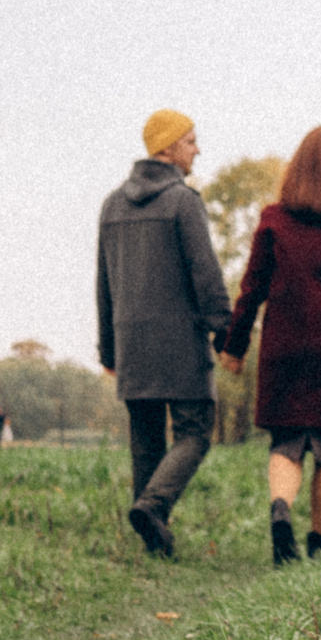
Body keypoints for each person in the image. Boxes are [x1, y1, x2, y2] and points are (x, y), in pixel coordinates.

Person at [218, 125, 321, 564]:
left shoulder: (273, 219)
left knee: (286, 443)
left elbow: (252, 288)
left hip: (284, 348)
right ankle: (319, 544)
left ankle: (280, 511)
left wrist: (234, 347)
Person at [97, 109, 229, 558]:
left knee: (146, 438)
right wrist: (223, 328)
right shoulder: (183, 202)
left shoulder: (112, 204)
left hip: (131, 341)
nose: (197, 149)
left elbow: (104, 284)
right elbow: (205, 274)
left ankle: (153, 541)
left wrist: (108, 346)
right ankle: (154, 507)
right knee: (195, 431)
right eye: (191, 140)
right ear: (168, 148)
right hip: (179, 342)